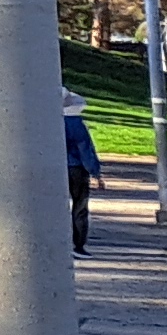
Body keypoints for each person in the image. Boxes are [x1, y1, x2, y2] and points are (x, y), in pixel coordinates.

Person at [62, 92, 102, 254]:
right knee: (80, 206)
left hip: (58, 167)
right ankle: (78, 243)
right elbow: (85, 149)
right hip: (76, 168)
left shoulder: (50, 122)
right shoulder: (76, 124)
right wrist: (95, 171)